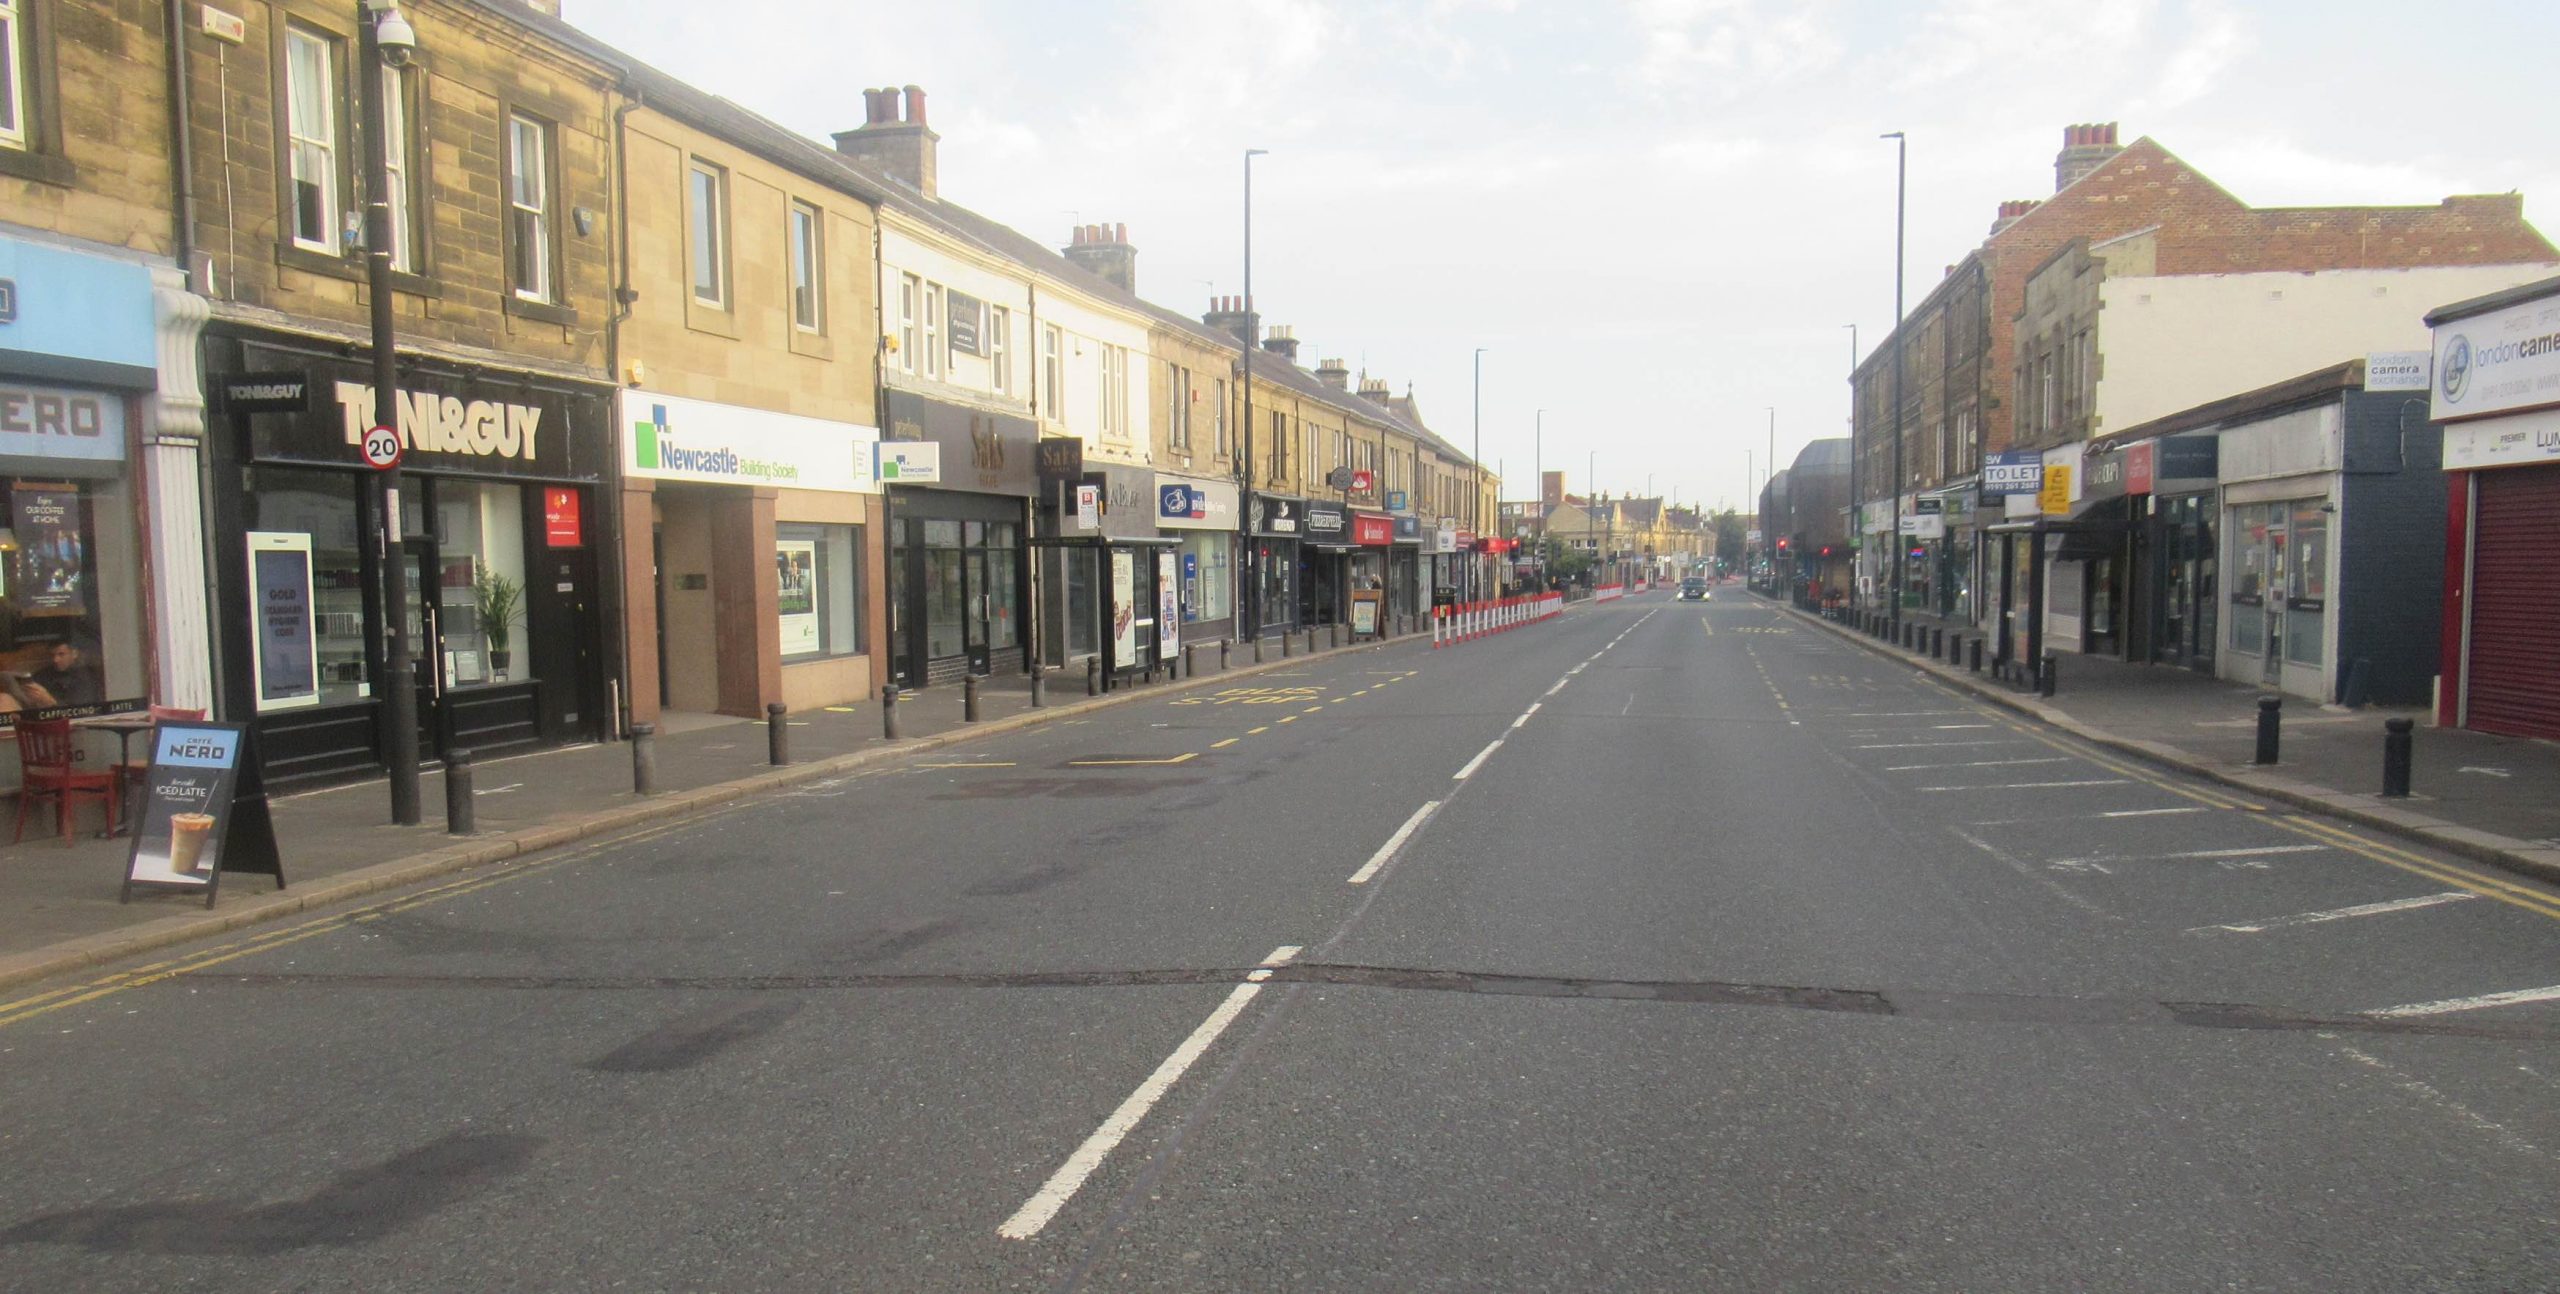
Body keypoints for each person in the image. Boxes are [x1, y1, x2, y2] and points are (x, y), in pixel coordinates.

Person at [28, 640, 99, 706]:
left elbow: (80, 710)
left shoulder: (84, 677)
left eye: (61, 654)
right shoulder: (44, 674)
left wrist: (49, 701)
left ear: (74, 654)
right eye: (52, 655)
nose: (55, 660)